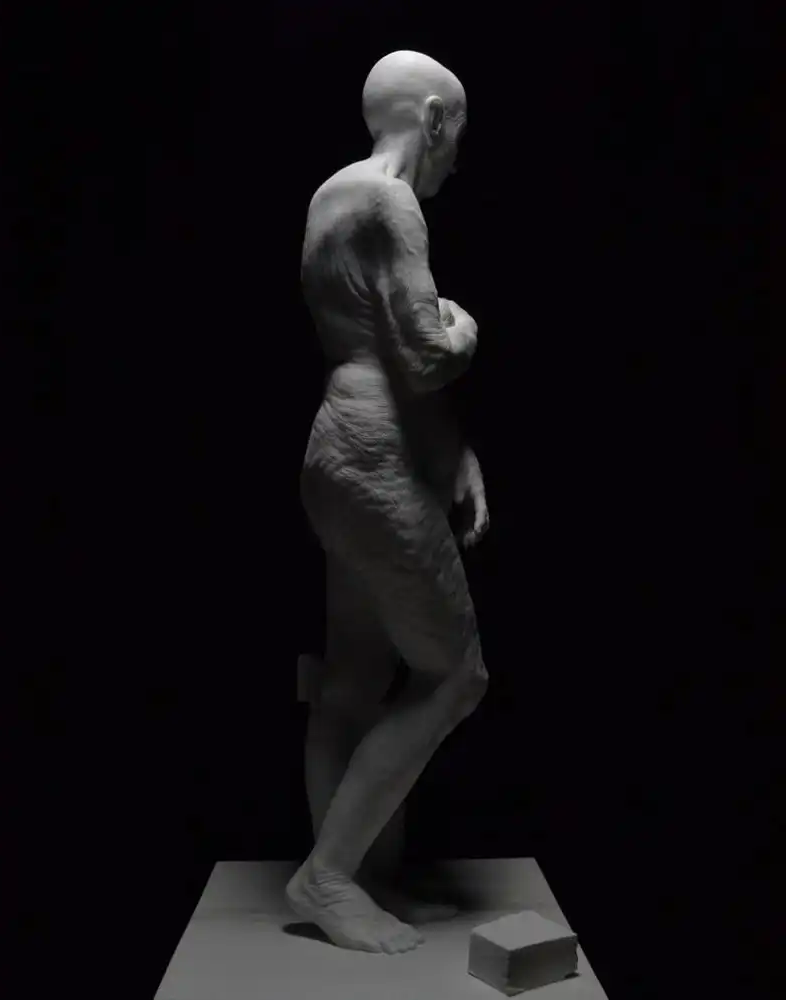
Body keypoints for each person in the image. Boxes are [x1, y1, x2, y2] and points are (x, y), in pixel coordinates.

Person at [287, 50, 489, 955]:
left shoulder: (331, 193)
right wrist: (466, 325)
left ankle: (362, 876)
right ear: (435, 117)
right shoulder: (392, 201)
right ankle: (328, 876)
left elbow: (372, 344)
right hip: (375, 462)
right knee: (456, 677)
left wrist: (454, 451)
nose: (457, 159)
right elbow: (424, 355)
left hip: (337, 450)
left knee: (354, 676)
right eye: (458, 136)